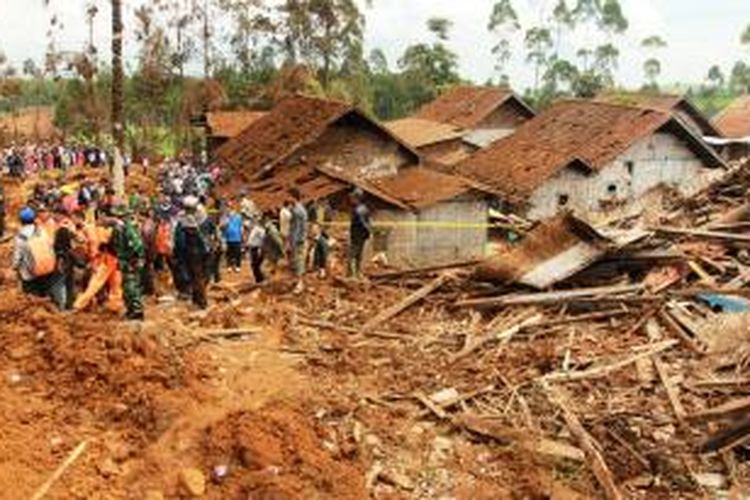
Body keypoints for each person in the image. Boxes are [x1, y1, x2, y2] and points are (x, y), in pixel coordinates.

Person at [13, 207, 67, 310]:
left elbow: (17, 257)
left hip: (29, 273)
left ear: (21, 221)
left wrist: (15, 267)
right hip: (46, 268)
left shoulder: (20, 237)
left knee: (31, 297)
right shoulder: (41, 231)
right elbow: (50, 245)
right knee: (44, 294)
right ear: (34, 219)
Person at [173, 196, 210, 309]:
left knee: (195, 277)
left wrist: (177, 252)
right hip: (204, 251)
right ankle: (197, 300)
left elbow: (180, 240)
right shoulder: (203, 218)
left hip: (192, 251)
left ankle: (201, 302)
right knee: (200, 276)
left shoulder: (185, 222)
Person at [110, 205, 146, 320]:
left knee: (131, 286)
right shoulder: (122, 228)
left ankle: (136, 311)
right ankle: (131, 309)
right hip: (125, 261)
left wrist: (137, 258)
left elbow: (137, 246)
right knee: (127, 287)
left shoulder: (128, 228)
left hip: (130, 261)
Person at [348, 188, 372, 280]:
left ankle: (351, 275)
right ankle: (358, 273)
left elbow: (363, 224)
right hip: (361, 237)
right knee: (359, 256)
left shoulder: (357, 211)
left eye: (352, 198)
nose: (351, 200)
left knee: (351, 256)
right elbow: (368, 223)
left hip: (356, 236)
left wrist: (367, 231)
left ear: (357, 198)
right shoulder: (365, 208)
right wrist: (368, 233)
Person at [288, 187, 308, 293]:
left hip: (298, 241)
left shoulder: (297, 210)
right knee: (297, 261)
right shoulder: (299, 208)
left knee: (298, 261)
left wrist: (292, 242)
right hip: (299, 239)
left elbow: (296, 228)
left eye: (289, 196)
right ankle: (297, 281)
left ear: (293, 197)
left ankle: (300, 284)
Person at [222, 204, 244, 272]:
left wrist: (242, 236)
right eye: (228, 209)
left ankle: (238, 266)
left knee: (237, 253)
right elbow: (222, 227)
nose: (229, 210)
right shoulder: (225, 218)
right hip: (228, 238)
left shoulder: (238, 217)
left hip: (237, 238)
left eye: (230, 209)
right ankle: (229, 266)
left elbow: (241, 227)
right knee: (229, 253)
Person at [247, 218, 266, 284]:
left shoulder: (260, 230)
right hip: (253, 248)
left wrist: (261, 249)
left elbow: (263, 240)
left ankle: (261, 279)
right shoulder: (255, 229)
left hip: (257, 248)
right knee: (254, 265)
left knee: (256, 265)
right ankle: (258, 279)